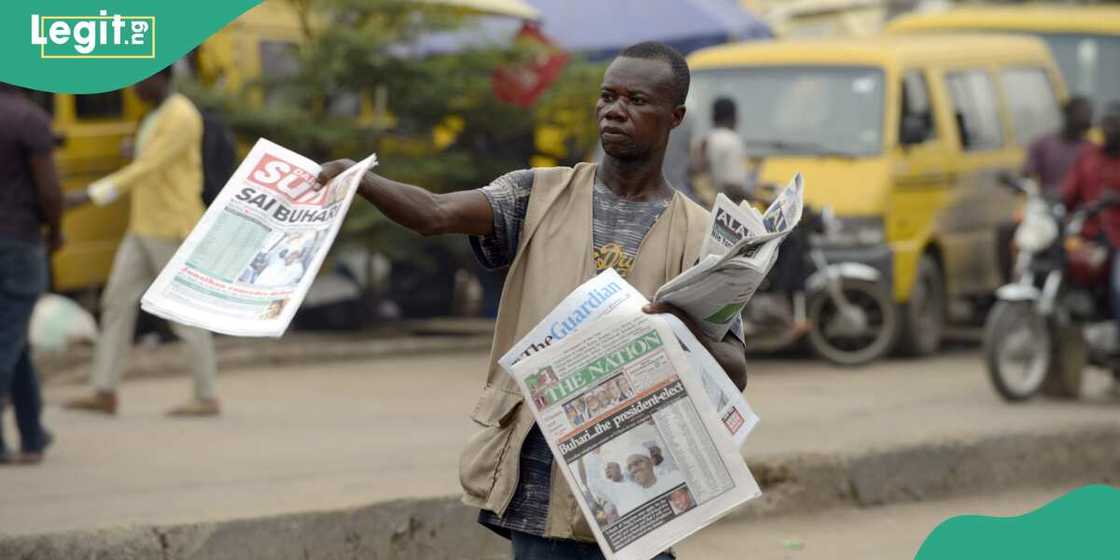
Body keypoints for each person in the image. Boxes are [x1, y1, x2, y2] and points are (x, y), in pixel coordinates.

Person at [315, 41, 747, 560]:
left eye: (636, 100)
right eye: (608, 96)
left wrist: (682, 327)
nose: (615, 110)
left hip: (642, 485)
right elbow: (434, 213)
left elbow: (734, 370)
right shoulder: (534, 195)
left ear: (675, 116)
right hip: (540, 483)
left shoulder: (702, 236)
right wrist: (360, 179)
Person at [63, 66, 220, 417]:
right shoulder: (155, 116)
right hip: (143, 225)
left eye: (140, 79)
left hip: (172, 225)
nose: (133, 87)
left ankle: (206, 395)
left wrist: (90, 194)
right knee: (116, 302)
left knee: (183, 312)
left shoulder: (181, 115)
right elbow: (147, 159)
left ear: (161, 77)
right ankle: (104, 390)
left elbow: (148, 166)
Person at [0, 82, 61, 464]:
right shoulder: (28, 118)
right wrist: (56, 231)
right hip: (18, 242)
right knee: (7, 341)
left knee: (14, 338)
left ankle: (33, 435)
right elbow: (50, 191)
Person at [1062, 101, 1120, 359]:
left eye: (1114, 124)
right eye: (1106, 123)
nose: (1108, 130)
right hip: (1087, 233)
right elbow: (1070, 191)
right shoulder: (1089, 156)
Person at [1024, 96, 1094, 195]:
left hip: (1081, 206)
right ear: (1067, 114)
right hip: (1049, 203)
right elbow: (1027, 174)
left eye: (1088, 115)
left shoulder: (1091, 149)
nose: (1087, 119)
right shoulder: (1043, 144)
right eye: (1082, 114)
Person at [699, 97, 752, 204]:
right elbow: (732, 187)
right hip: (729, 209)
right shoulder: (732, 141)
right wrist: (761, 199)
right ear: (734, 117)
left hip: (708, 205)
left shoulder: (707, 139)